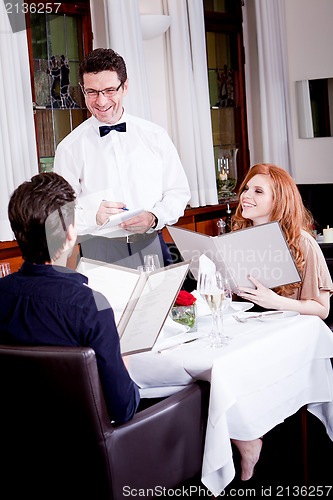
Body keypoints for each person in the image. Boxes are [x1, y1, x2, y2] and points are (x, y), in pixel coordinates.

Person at [0, 172, 140, 425]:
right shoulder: (90, 307)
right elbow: (122, 409)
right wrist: (124, 352)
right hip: (87, 448)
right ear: (69, 235)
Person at [230, 163, 333, 480]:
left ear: (280, 200)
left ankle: (245, 439)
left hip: (291, 342)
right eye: (247, 188)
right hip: (253, 332)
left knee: (232, 369)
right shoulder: (239, 237)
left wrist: (276, 302)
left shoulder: (303, 242)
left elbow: (322, 309)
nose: (246, 195)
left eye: (258, 191)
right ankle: (242, 437)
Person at [54, 47, 190, 269]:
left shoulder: (155, 136)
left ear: (125, 86)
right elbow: (60, 215)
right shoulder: (69, 148)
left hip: (152, 245)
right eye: (92, 92)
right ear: (82, 89)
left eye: (109, 90)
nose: (100, 101)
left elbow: (178, 192)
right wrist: (93, 218)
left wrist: (155, 217)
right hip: (98, 251)